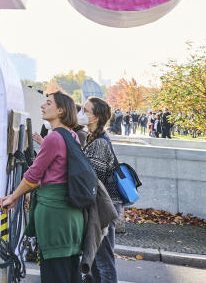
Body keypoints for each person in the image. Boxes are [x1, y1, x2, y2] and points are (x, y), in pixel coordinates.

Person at [0, 91, 83, 282]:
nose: (43, 106)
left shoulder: (53, 138)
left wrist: (13, 196)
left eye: (48, 103)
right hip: (72, 216)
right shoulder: (72, 136)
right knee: (70, 273)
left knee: (54, 273)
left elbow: (33, 177)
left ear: (60, 110)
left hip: (55, 216)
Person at [82, 97, 121, 283]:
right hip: (103, 205)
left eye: (85, 110)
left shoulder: (99, 143)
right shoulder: (94, 138)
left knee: (103, 260)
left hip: (104, 208)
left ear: (95, 117)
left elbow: (92, 180)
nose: (81, 114)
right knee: (97, 259)